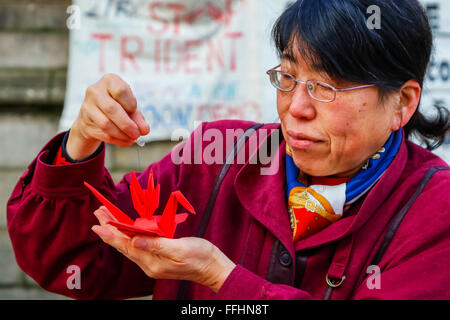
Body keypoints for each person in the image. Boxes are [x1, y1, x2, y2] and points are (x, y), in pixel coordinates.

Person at [7, 0, 450, 300]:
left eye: (326, 87)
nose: (296, 108)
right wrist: (80, 144)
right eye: (290, 77)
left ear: (402, 102)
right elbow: (71, 259)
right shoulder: (214, 157)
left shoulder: (434, 211)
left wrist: (221, 278)